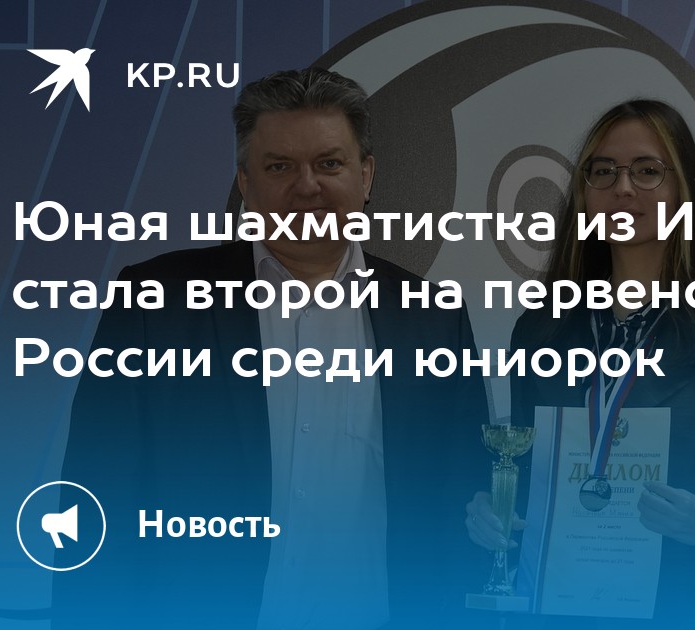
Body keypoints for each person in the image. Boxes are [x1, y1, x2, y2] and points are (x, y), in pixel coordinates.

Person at [53, 67, 488, 629]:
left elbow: (463, 503)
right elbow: (95, 496)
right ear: (244, 182)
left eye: (329, 164)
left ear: (366, 175)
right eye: (279, 166)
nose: (306, 186)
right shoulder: (154, 302)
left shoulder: (433, 318)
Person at [466, 100, 695, 628]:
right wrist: (492, 508)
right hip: (555, 612)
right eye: (603, 171)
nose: (622, 188)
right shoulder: (540, 330)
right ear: (584, 194)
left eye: (647, 171)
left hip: (684, 612)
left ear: (684, 191)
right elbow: (527, 476)